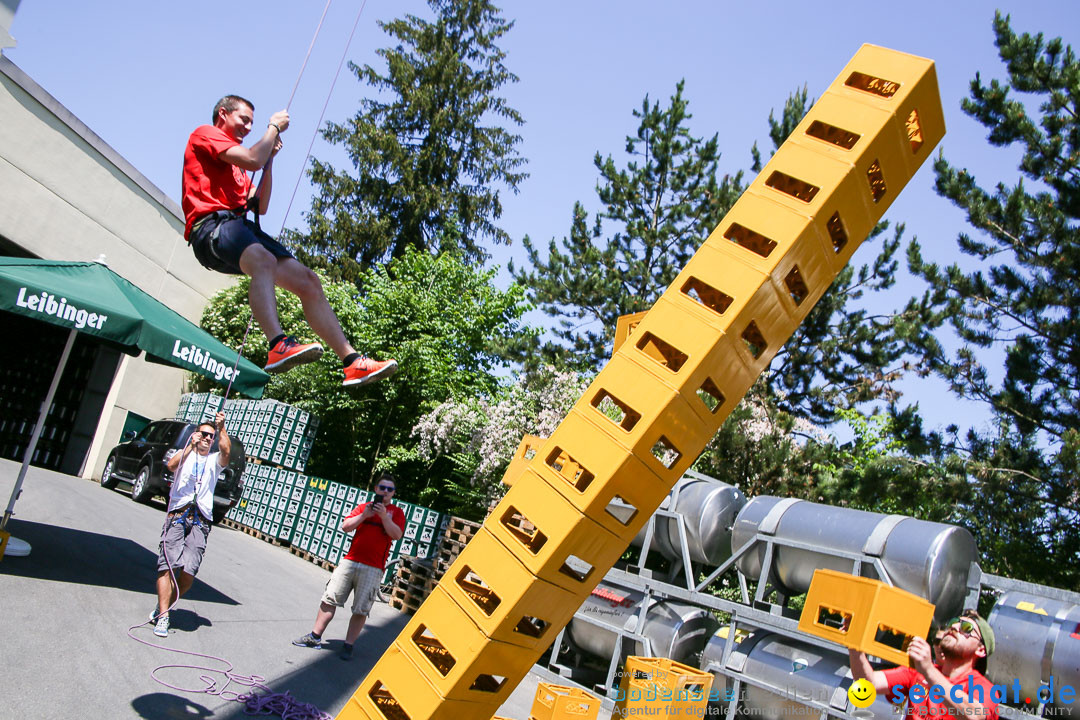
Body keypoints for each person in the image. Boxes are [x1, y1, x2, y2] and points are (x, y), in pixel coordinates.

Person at [182, 94, 397, 387]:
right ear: (223, 113)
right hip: (211, 228)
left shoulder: (238, 168)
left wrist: (269, 160)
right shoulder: (206, 134)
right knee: (263, 259)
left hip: (237, 226)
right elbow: (252, 158)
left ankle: (352, 362)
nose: (248, 127)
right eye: (243, 120)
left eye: (252, 123)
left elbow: (260, 203)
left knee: (309, 281)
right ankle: (277, 345)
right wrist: (272, 128)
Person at [293, 473, 405, 660]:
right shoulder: (363, 507)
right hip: (350, 561)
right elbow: (346, 526)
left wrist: (384, 517)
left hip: (373, 567)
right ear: (376, 489)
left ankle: (348, 645)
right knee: (329, 598)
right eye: (382, 488)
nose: (385, 492)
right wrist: (365, 515)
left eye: (389, 489)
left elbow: (397, 535)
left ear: (393, 493)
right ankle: (315, 636)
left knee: (361, 608)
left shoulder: (396, 513)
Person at [150, 412, 231, 638]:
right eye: (204, 434)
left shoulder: (214, 460)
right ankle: (164, 615)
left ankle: (162, 605)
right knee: (167, 565)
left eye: (210, 436)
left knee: (188, 573)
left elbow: (226, 452)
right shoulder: (184, 453)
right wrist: (189, 447)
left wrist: (221, 428)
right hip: (178, 513)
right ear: (196, 434)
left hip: (201, 518)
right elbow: (171, 466)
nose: (207, 438)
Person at [849, 610, 998, 719]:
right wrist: (854, 644)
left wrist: (928, 670)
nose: (954, 627)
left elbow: (974, 715)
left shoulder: (985, 689)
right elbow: (868, 682)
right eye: (953, 622)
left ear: (981, 650)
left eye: (966, 628)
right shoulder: (918, 673)